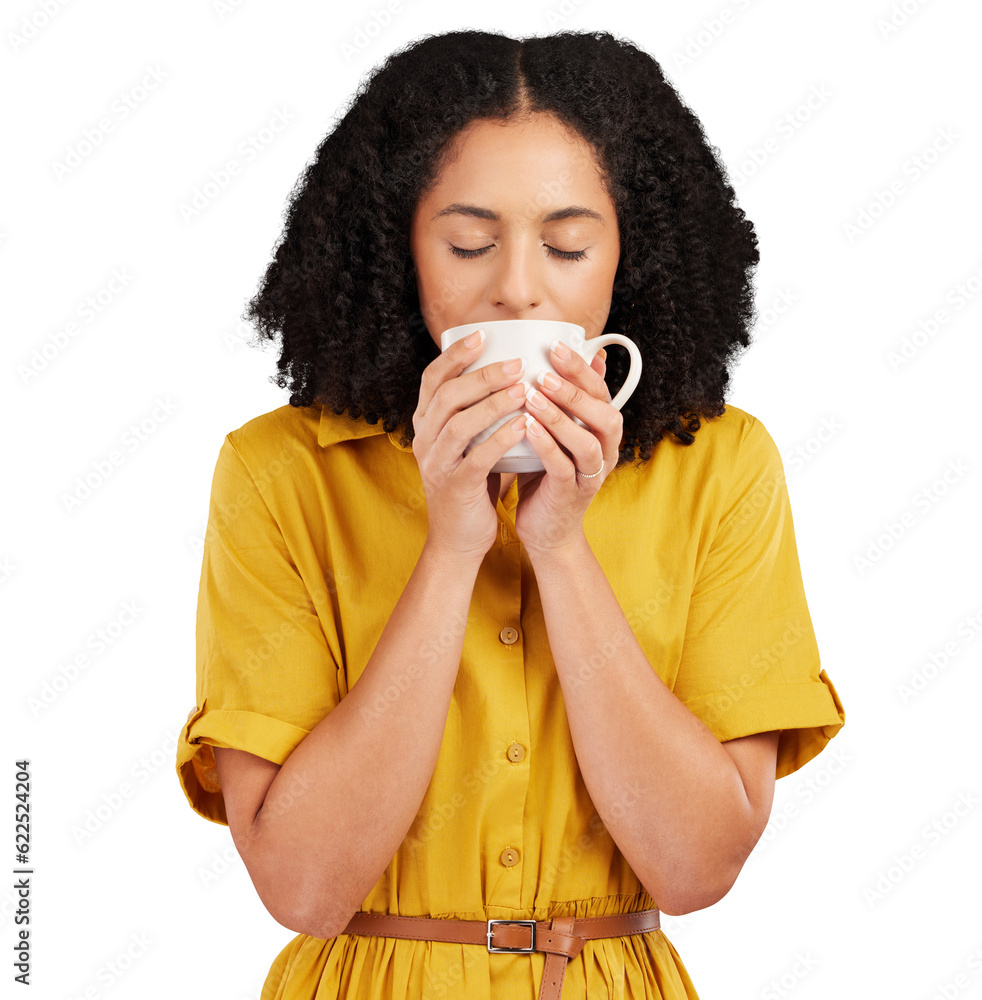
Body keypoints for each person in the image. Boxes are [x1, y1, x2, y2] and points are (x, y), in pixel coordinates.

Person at [175, 28, 846, 1000]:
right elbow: (303, 885)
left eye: (568, 244)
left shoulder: (724, 466)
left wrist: (561, 548)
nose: (520, 285)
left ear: (633, 256)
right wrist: (450, 547)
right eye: (468, 243)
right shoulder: (277, 472)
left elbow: (696, 868)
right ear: (393, 247)